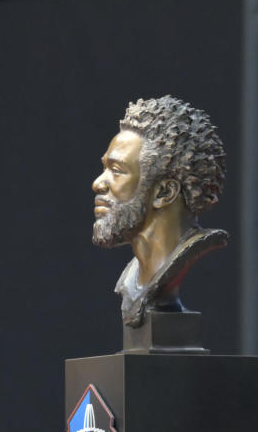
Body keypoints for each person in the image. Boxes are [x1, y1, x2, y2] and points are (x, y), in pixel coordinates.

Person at [91, 95, 227, 328]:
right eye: (105, 168)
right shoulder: (131, 281)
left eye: (116, 170)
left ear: (164, 192)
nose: (98, 183)